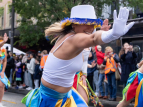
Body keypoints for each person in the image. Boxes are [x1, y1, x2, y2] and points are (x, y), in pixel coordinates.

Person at [22, 5, 134, 107]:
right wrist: (112, 34)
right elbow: (93, 38)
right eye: (86, 23)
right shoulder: (72, 40)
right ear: (74, 25)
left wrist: (103, 33)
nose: (91, 28)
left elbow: (91, 38)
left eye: (93, 24)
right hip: (50, 101)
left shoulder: (73, 37)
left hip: (66, 96)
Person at [0, 33, 9, 107]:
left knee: (1, 85)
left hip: (0, 70)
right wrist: (4, 41)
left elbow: (5, 61)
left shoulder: (4, 49)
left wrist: (3, 71)